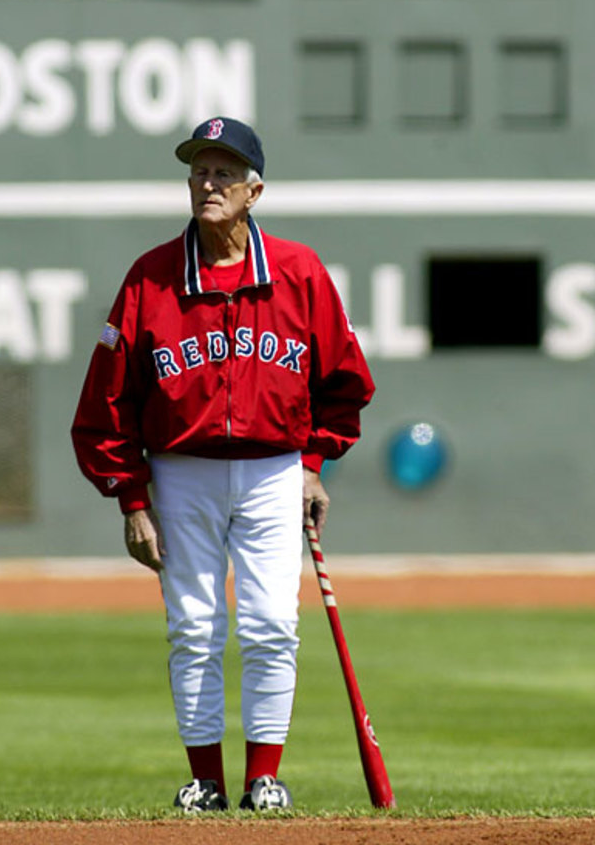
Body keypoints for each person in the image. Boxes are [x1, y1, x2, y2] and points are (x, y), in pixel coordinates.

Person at [71, 116, 375, 813]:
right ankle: (204, 781)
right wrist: (130, 499)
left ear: (254, 190)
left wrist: (314, 462)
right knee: (195, 625)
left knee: (271, 622)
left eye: (224, 173)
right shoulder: (150, 277)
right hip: (180, 471)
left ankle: (262, 776)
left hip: (273, 469)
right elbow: (107, 398)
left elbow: (344, 381)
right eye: (199, 172)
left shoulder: (298, 273)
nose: (208, 184)